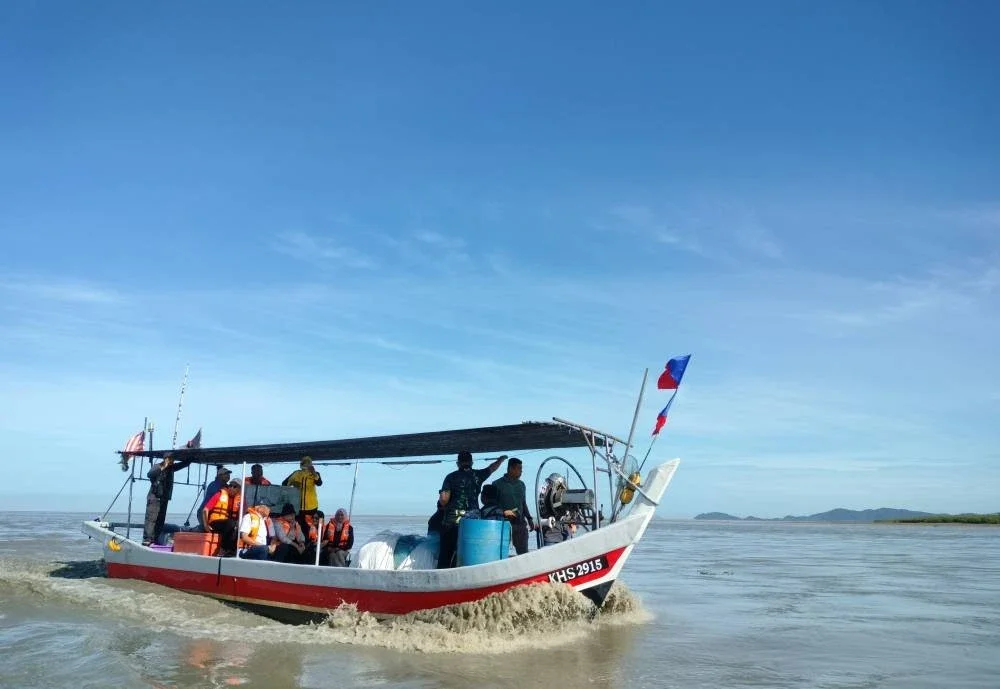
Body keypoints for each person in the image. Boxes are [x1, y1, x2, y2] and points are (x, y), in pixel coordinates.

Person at [436, 451, 506, 568]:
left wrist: (443, 503)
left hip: (452, 522)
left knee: (446, 554)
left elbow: (444, 499)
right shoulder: (478, 475)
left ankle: (443, 578)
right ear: (471, 463)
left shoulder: (450, 477)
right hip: (472, 522)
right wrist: (501, 460)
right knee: (468, 553)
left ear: (458, 463)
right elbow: (492, 468)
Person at [143, 453, 193, 545]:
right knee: (151, 519)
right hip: (154, 498)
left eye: (173, 459)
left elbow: (182, 465)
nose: (172, 461)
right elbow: (150, 474)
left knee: (160, 520)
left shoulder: (171, 468)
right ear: (165, 459)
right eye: (170, 459)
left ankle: (155, 539)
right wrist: (163, 466)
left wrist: (190, 459)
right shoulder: (157, 466)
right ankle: (147, 539)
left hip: (164, 499)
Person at [492, 457, 536, 555]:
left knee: (524, 554)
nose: (521, 471)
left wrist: (529, 519)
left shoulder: (522, 485)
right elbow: (492, 505)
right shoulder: (496, 484)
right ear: (510, 469)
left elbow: (523, 503)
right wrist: (503, 512)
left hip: (520, 524)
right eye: (519, 469)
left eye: (521, 469)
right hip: (504, 524)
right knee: (500, 553)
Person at [283, 456, 322, 534]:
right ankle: (300, 543)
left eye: (308, 463)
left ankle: (311, 542)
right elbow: (284, 483)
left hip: (311, 506)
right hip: (298, 507)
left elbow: (319, 483)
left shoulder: (315, 474)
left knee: (310, 527)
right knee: (299, 526)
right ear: (301, 464)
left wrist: (314, 473)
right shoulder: (296, 473)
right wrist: (294, 484)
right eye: (305, 463)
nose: (306, 465)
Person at [202, 480, 241, 556]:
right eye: (230, 485)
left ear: (239, 489)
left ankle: (232, 551)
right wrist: (206, 526)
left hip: (228, 525)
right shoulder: (220, 494)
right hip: (215, 523)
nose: (231, 488)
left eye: (235, 486)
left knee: (237, 526)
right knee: (230, 523)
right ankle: (223, 549)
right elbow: (205, 510)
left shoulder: (240, 500)